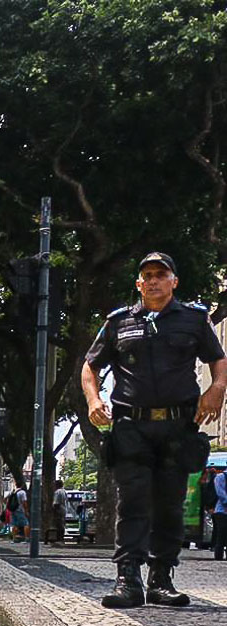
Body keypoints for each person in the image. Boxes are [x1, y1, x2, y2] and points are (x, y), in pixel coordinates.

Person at [83, 252, 227, 607]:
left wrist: (217, 389)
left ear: (174, 281)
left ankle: (161, 579)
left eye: (161, 274)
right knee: (132, 501)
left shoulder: (194, 320)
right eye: (147, 275)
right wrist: (92, 400)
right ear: (138, 283)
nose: (153, 280)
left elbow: (218, 358)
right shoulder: (118, 322)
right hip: (132, 425)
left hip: (179, 427)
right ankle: (128, 579)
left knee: (170, 504)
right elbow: (90, 366)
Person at [212, 466, 227, 561]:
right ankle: (218, 556)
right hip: (221, 510)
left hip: (221, 510)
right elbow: (220, 493)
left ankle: (219, 555)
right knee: (221, 534)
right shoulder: (220, 477)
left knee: (221, 534)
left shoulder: (219, 477)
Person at [50, 480, 68, 544]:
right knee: (62, 524)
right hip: (63, 509)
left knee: (59, 525)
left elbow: (56, 503)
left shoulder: (57, 492)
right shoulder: (64, 491)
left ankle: (59, 539)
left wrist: (54, 511)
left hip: (59, 510)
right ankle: (61, 538)